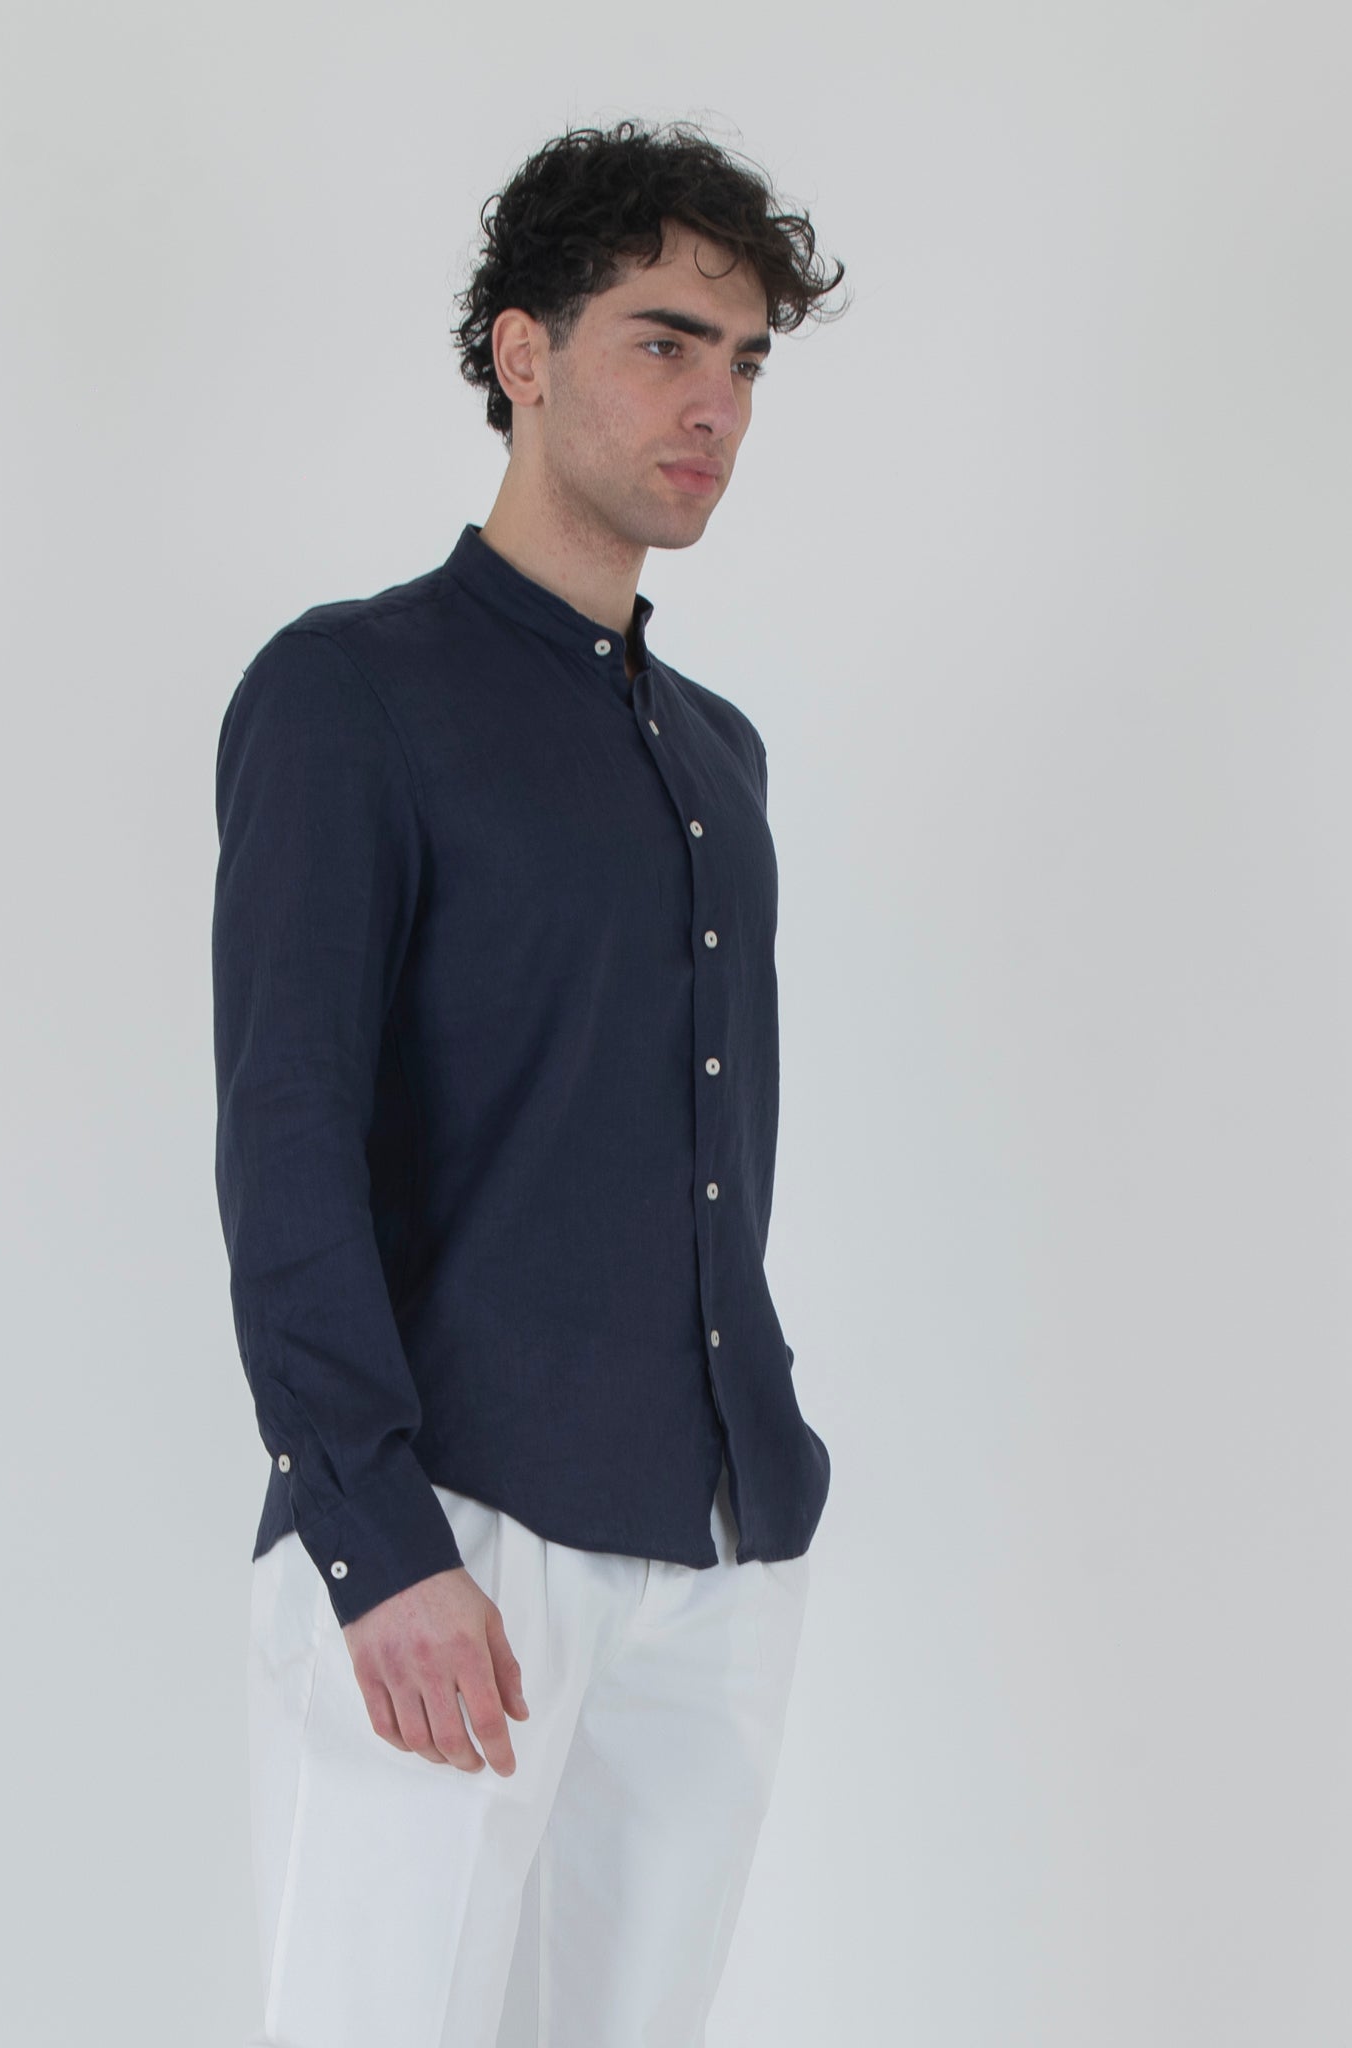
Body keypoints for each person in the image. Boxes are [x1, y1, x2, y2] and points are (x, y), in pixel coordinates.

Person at [213, 116, 847, 2047]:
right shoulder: (352, 693)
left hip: (714, 1549)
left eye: (746, 362)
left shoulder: (717, 753)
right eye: (665, 341)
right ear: (524, 352)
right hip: (451, 1535)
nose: (715, 404)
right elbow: (287, 1133)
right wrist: (376, 1538)